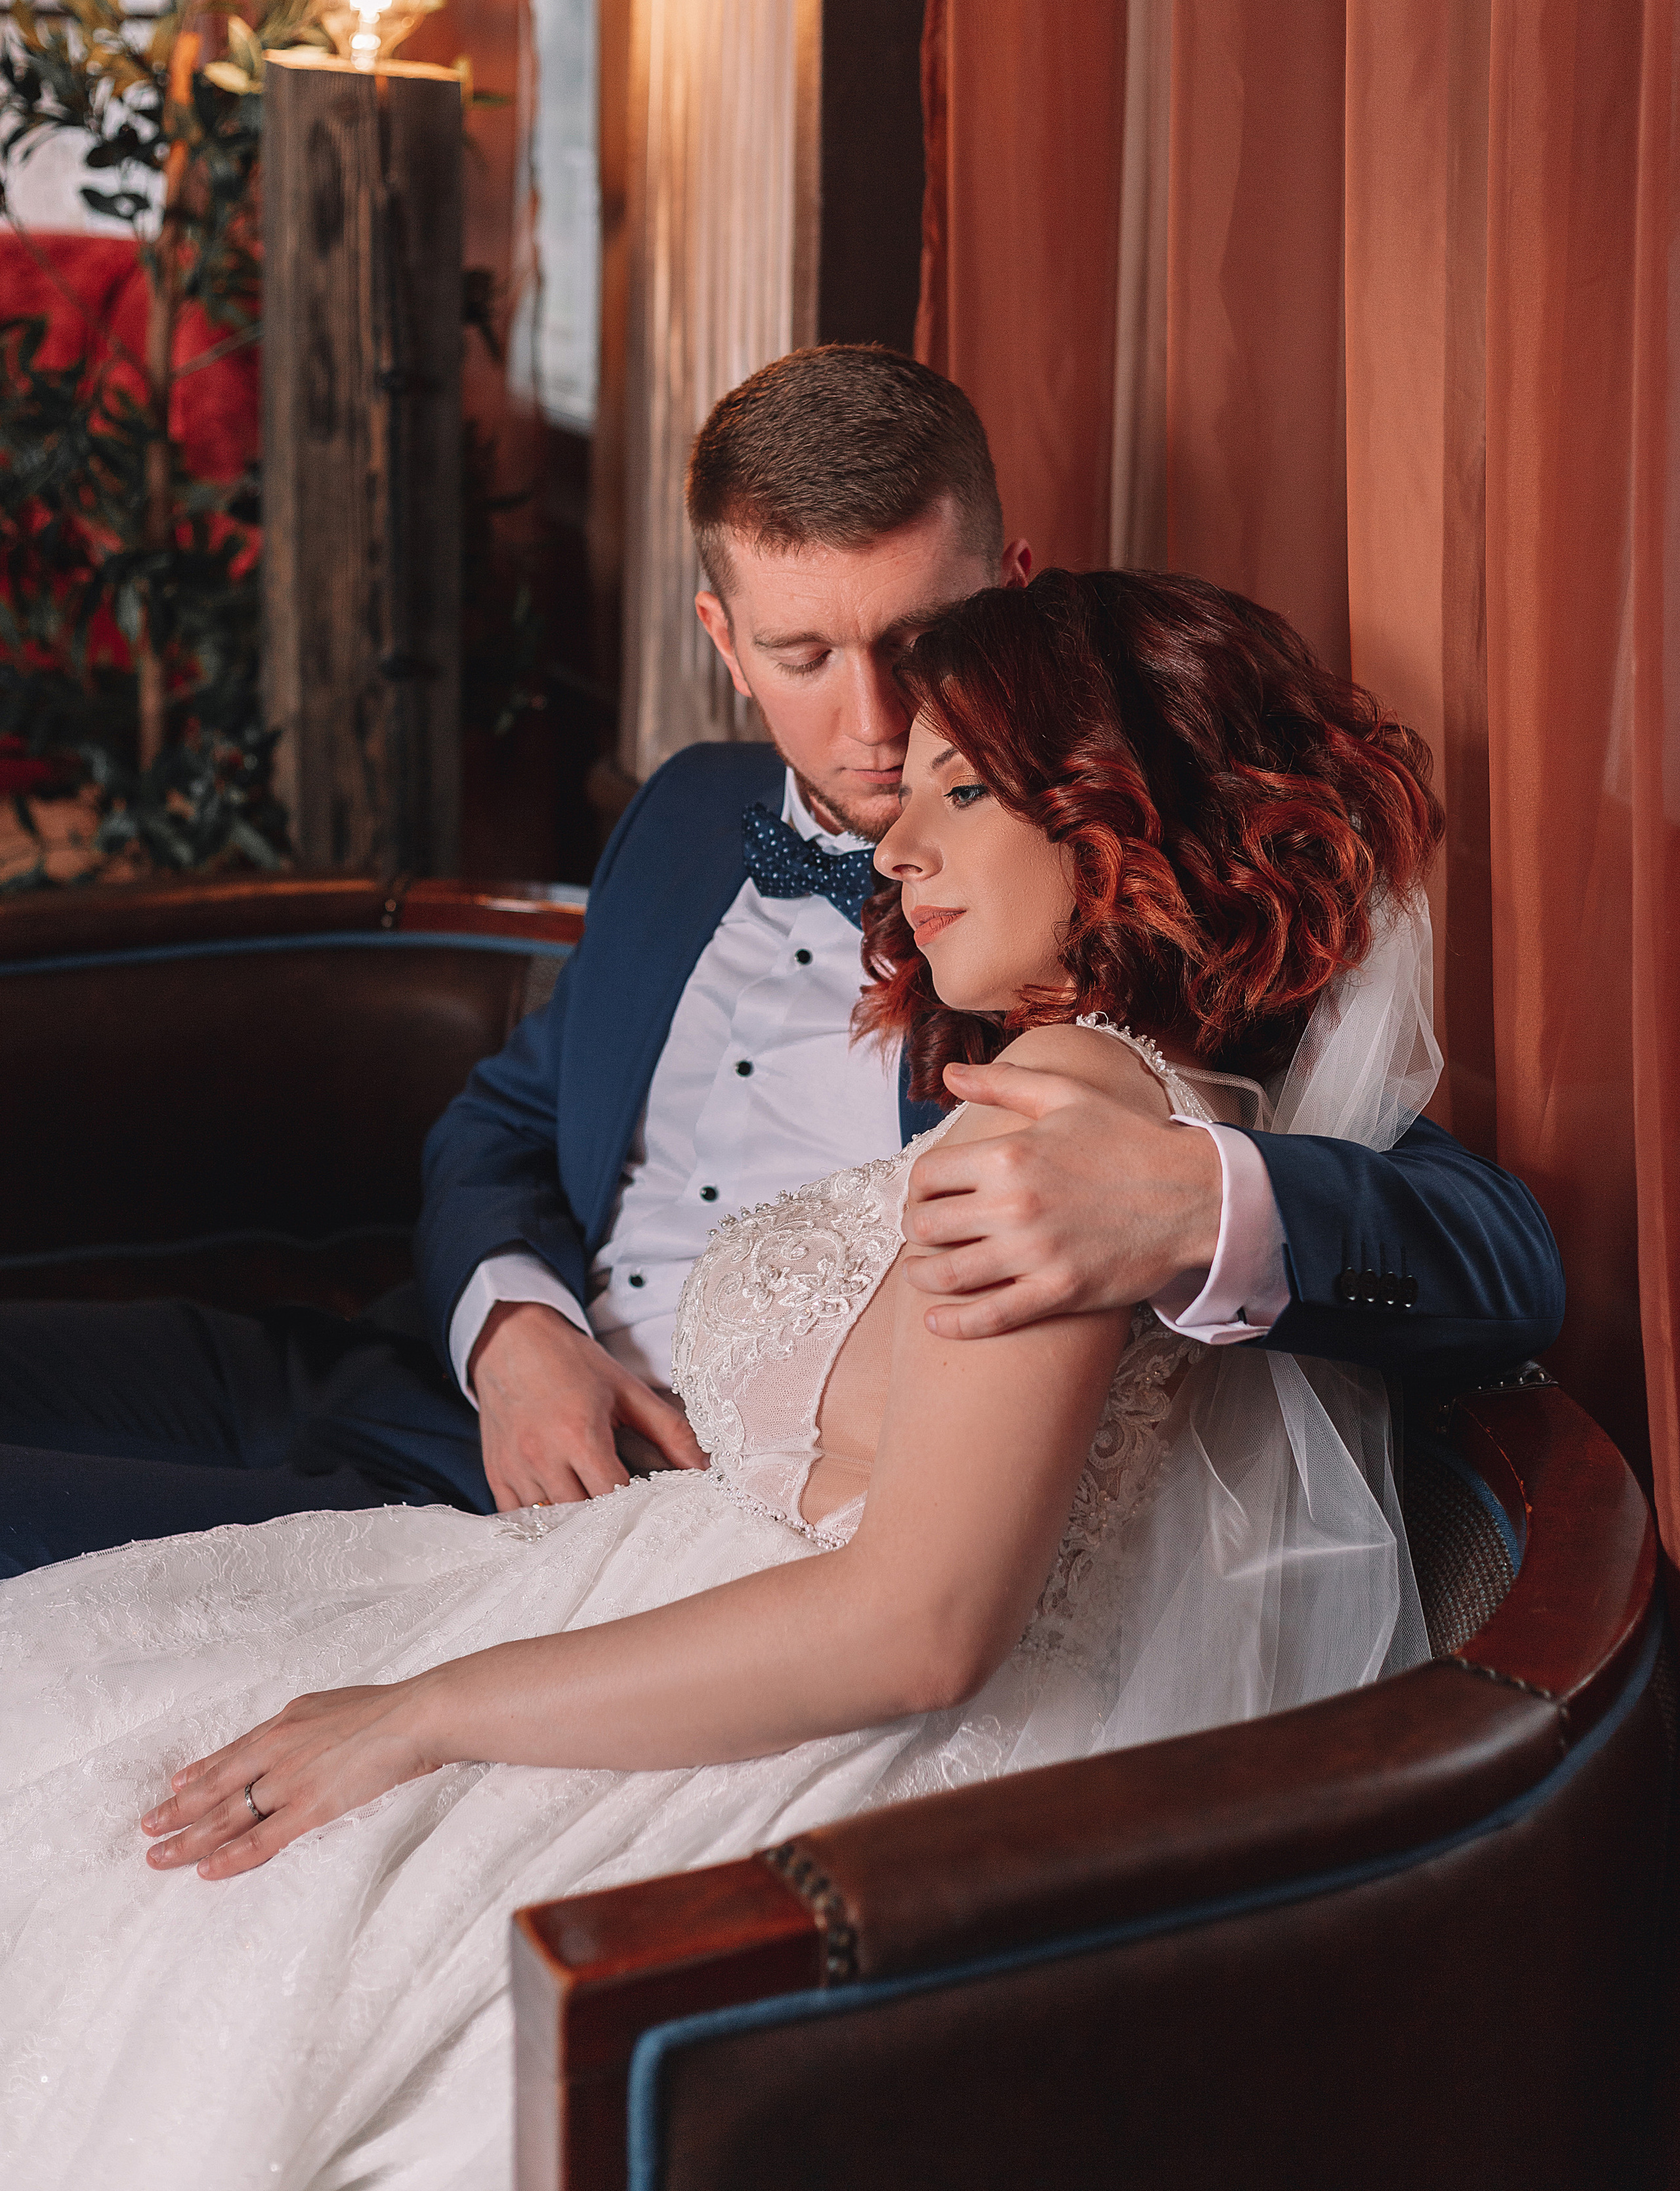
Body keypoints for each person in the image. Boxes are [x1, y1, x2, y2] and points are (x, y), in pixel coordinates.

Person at [9, 568, 1444, 2186]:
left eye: (960, 791)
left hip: (804, 1711)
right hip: (616, 1568)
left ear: (1109, 812)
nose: (896, 847)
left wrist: (423, 1715)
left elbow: (916, 1627)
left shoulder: (1065, 1126)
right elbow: (500, 1126)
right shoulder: (1117, 1085)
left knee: (148, 1867)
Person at [0, 348, 1560, 1574]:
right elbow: (503, 1120)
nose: (874, 722)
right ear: (721, 638)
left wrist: (1189, 1204)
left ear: (1012, 587)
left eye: (919, 635)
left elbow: (1494, 1258)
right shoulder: (686, 817)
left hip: (651, 1536)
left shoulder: (1102, 906)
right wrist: (512, 1330)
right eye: (805, 657)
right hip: (430, 1386)